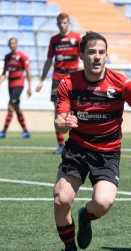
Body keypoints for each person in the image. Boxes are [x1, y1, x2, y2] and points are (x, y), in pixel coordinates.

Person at [52, 31, 131, 251]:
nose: (97, 57)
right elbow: (59, 121)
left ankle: (85, 216)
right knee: (61, 198)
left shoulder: (121, 83)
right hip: (77, 149)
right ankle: (69, 249)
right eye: (92, 52)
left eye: (101, 52)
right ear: (82, 55)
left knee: (103, 203)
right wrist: (65, 124)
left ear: (106, 55)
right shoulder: (68, 83)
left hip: (107, 152)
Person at [35, 13, 81, 154]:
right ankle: (61, 145)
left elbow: (84, 56)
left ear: (68, 23)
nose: (62, 25)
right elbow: (49, 61)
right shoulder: (54, 40)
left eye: (65, 23)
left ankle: (77, 143)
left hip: (73, 78)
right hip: (57, 78)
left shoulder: (77, 38)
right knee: (58, 112)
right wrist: (42, 79)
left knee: (76, 111)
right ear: (57, 24)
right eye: (60, 23)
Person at [0, 38, 32, 139]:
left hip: (19, 84)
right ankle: (26, 131)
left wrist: (29, 86)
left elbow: (28, 71)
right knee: (16, 108)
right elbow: (4, 72)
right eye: (10, 43)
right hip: (10, 85)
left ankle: (3, 132)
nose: (12, 45)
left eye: (13, 43)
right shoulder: (7, 57)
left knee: (10, 106)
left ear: (16, 44)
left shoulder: (22, 56)